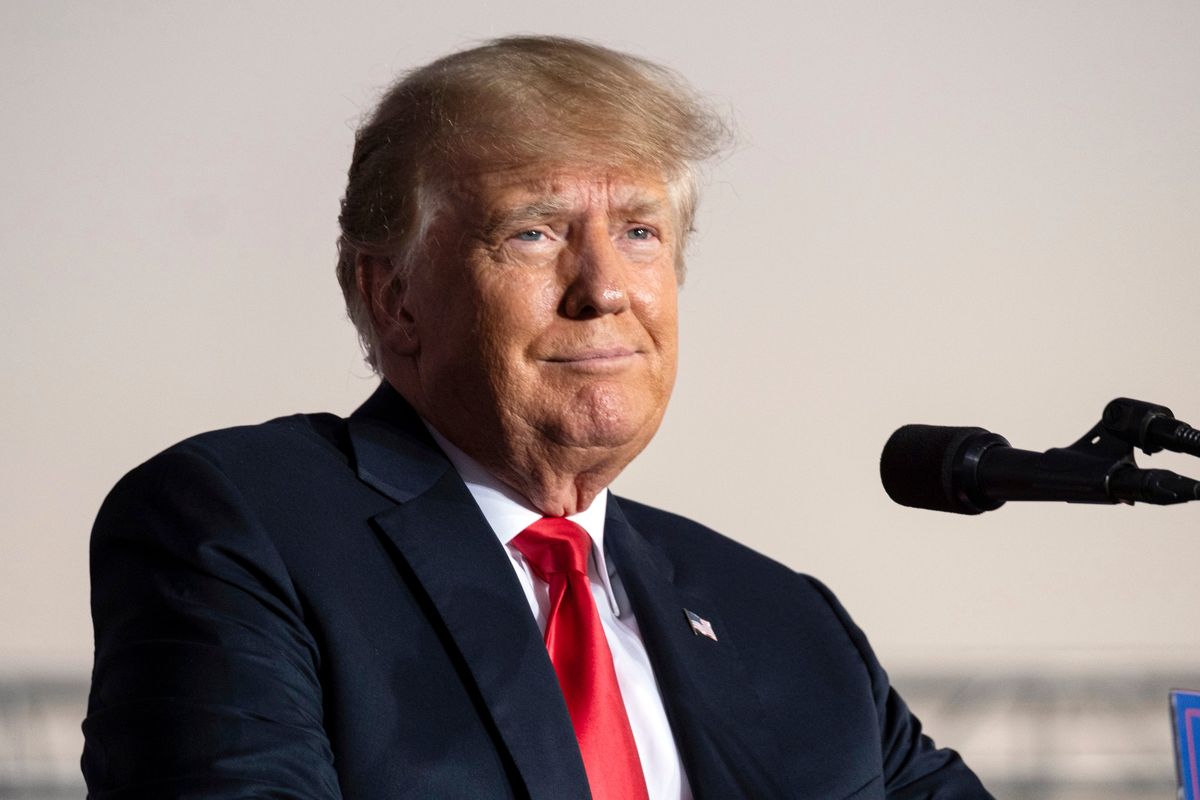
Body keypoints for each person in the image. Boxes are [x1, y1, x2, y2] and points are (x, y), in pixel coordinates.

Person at [82, 36, 992, 799]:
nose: (604, 289)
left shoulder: (785, 623)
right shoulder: (243, 527)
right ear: (394, 296)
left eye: (640, 232)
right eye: (535, 232)